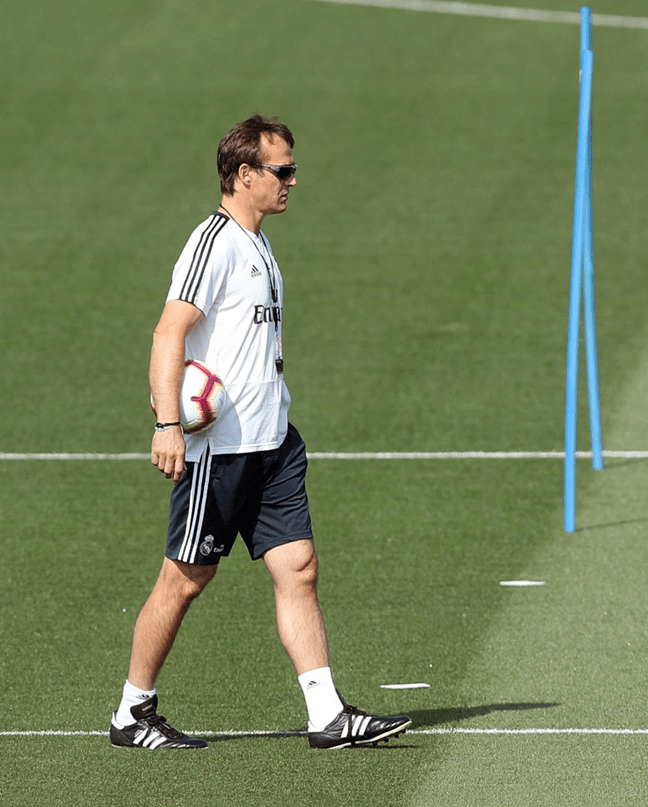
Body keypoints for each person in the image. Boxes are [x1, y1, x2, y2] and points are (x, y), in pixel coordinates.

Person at [109, 114, 410, 750]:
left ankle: (327, 716)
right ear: (245, 175)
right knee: (185, 579)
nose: (293, 181)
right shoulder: (213, 244)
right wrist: (168, 425)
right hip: (222, 454)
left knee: (298, 567)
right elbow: (169, 332)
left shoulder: (257, 242)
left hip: (273, 444)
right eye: (282, 171)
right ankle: (132, 712)